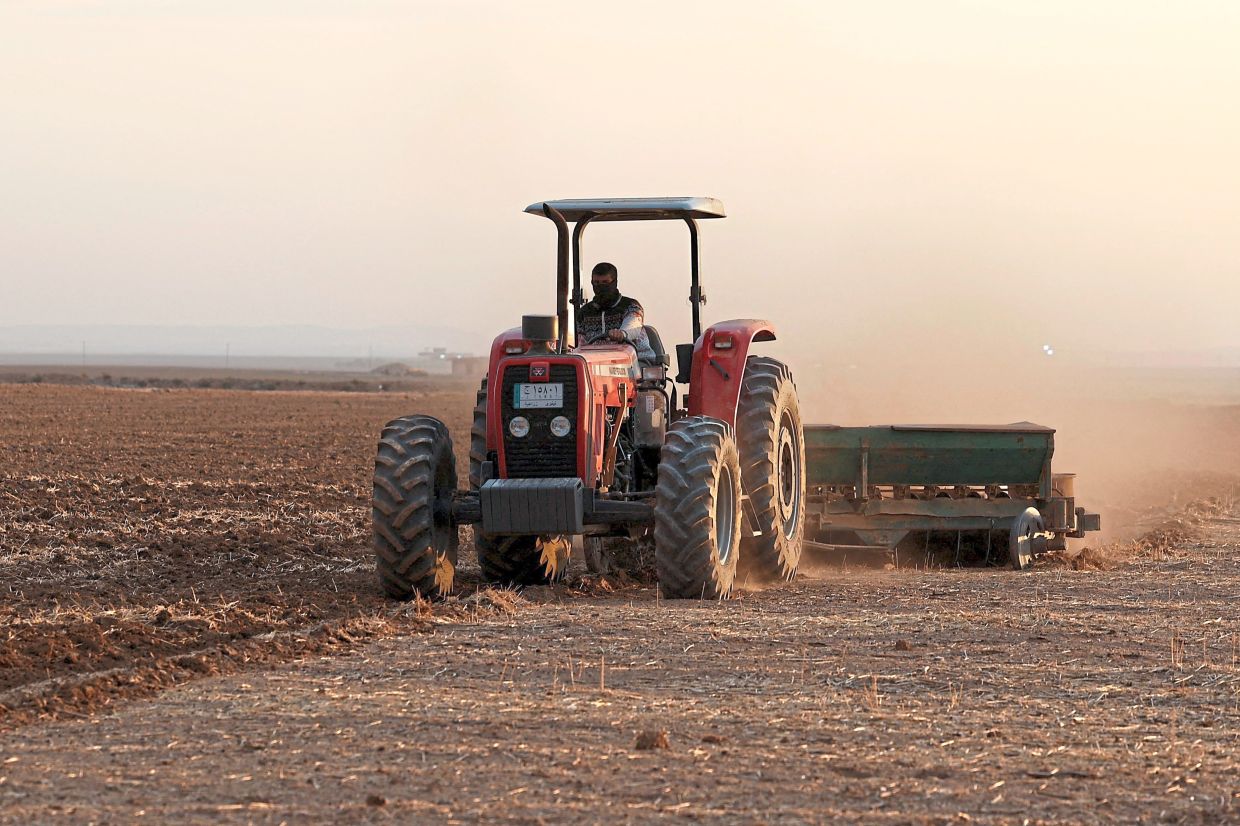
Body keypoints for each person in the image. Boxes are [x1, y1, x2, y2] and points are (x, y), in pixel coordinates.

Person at [577, 262, 656, 362]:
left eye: (605, 282)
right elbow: (582, 345)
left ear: (615, 282)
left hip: (635, 363)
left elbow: (633, 325)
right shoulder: (584, 313)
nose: (600, 287)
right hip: (598, 365)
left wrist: (622, 333)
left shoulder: (631, 306)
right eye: (596, 283)